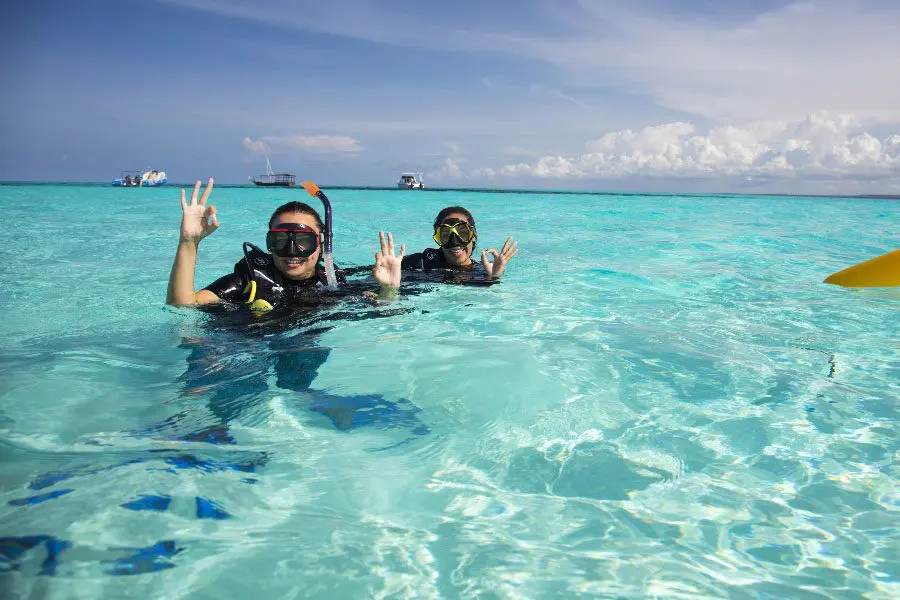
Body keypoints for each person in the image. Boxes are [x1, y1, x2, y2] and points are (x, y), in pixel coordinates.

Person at [166, 178, 404, 310]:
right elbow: (183, 306)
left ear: (321, 244)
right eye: (280, 241)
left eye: (303, 241)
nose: (292, 252)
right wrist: (188, 243)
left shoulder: (332, 282)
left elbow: (384, 311)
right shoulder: (249, 279)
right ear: (269, 243)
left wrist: (390, 290)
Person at [400, 206, 517, 279]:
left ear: (474, 236)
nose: (455, 242)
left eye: (462, 234)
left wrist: (494, 277)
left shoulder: (484, 270)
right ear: (438, 239)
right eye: (446, 235)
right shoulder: (418, 263)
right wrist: (390, 287)